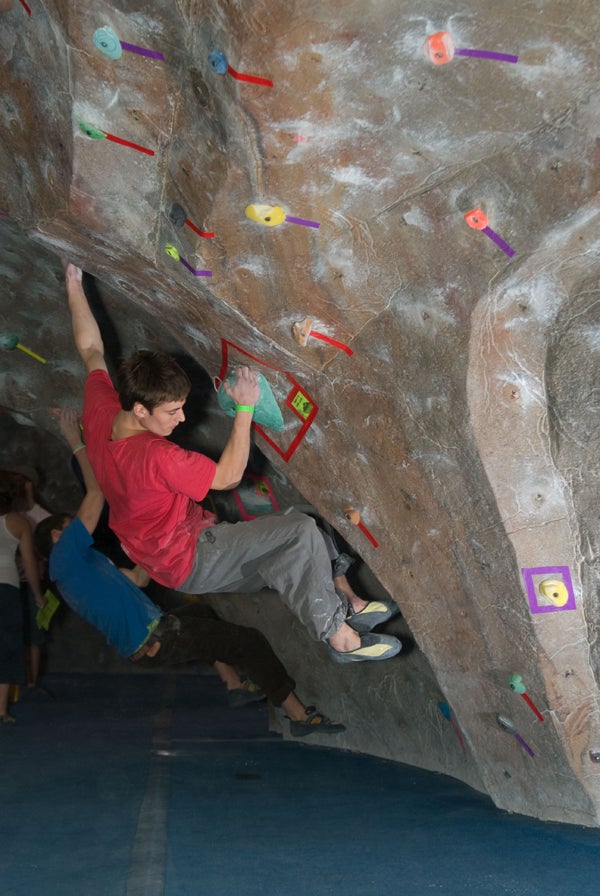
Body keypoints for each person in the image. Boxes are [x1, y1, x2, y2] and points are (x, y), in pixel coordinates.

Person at [64, 263, 403, 663]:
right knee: (298, 533)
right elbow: (227, 478)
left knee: (310, 524)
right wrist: (245, 406)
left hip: (168, 558)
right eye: (172, 412)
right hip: (191, 555)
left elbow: (90, 350)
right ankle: (339, 638)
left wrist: (73, 284)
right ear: (140, 408)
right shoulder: (156, 455)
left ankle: (349, 601)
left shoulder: (102, 410)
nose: (182, 419)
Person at [33, 408, 346, 737]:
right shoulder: (63, 559)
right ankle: (298, 716)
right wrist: (75, 440)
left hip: (150, 639)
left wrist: (157, 547)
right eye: (68, 524)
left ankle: (233, 683)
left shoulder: (83, 570)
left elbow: (138, 579)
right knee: (249, 642)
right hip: (157, 638)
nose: (77, 524)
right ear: (57, 535)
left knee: (203, 613)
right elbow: (95, 493)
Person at [0, 472, 45, 724]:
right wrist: (38, 596)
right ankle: (1, 710)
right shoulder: (18, 522)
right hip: (6, 589)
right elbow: (29, 563)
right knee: (6, 646)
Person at [4, 465, 51, 690]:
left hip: (25, 582)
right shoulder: (13, 518)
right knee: (12, 635)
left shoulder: (37, 516)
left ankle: (29, 681)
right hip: (12, 583)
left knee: (33, 634)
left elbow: (44, 551)